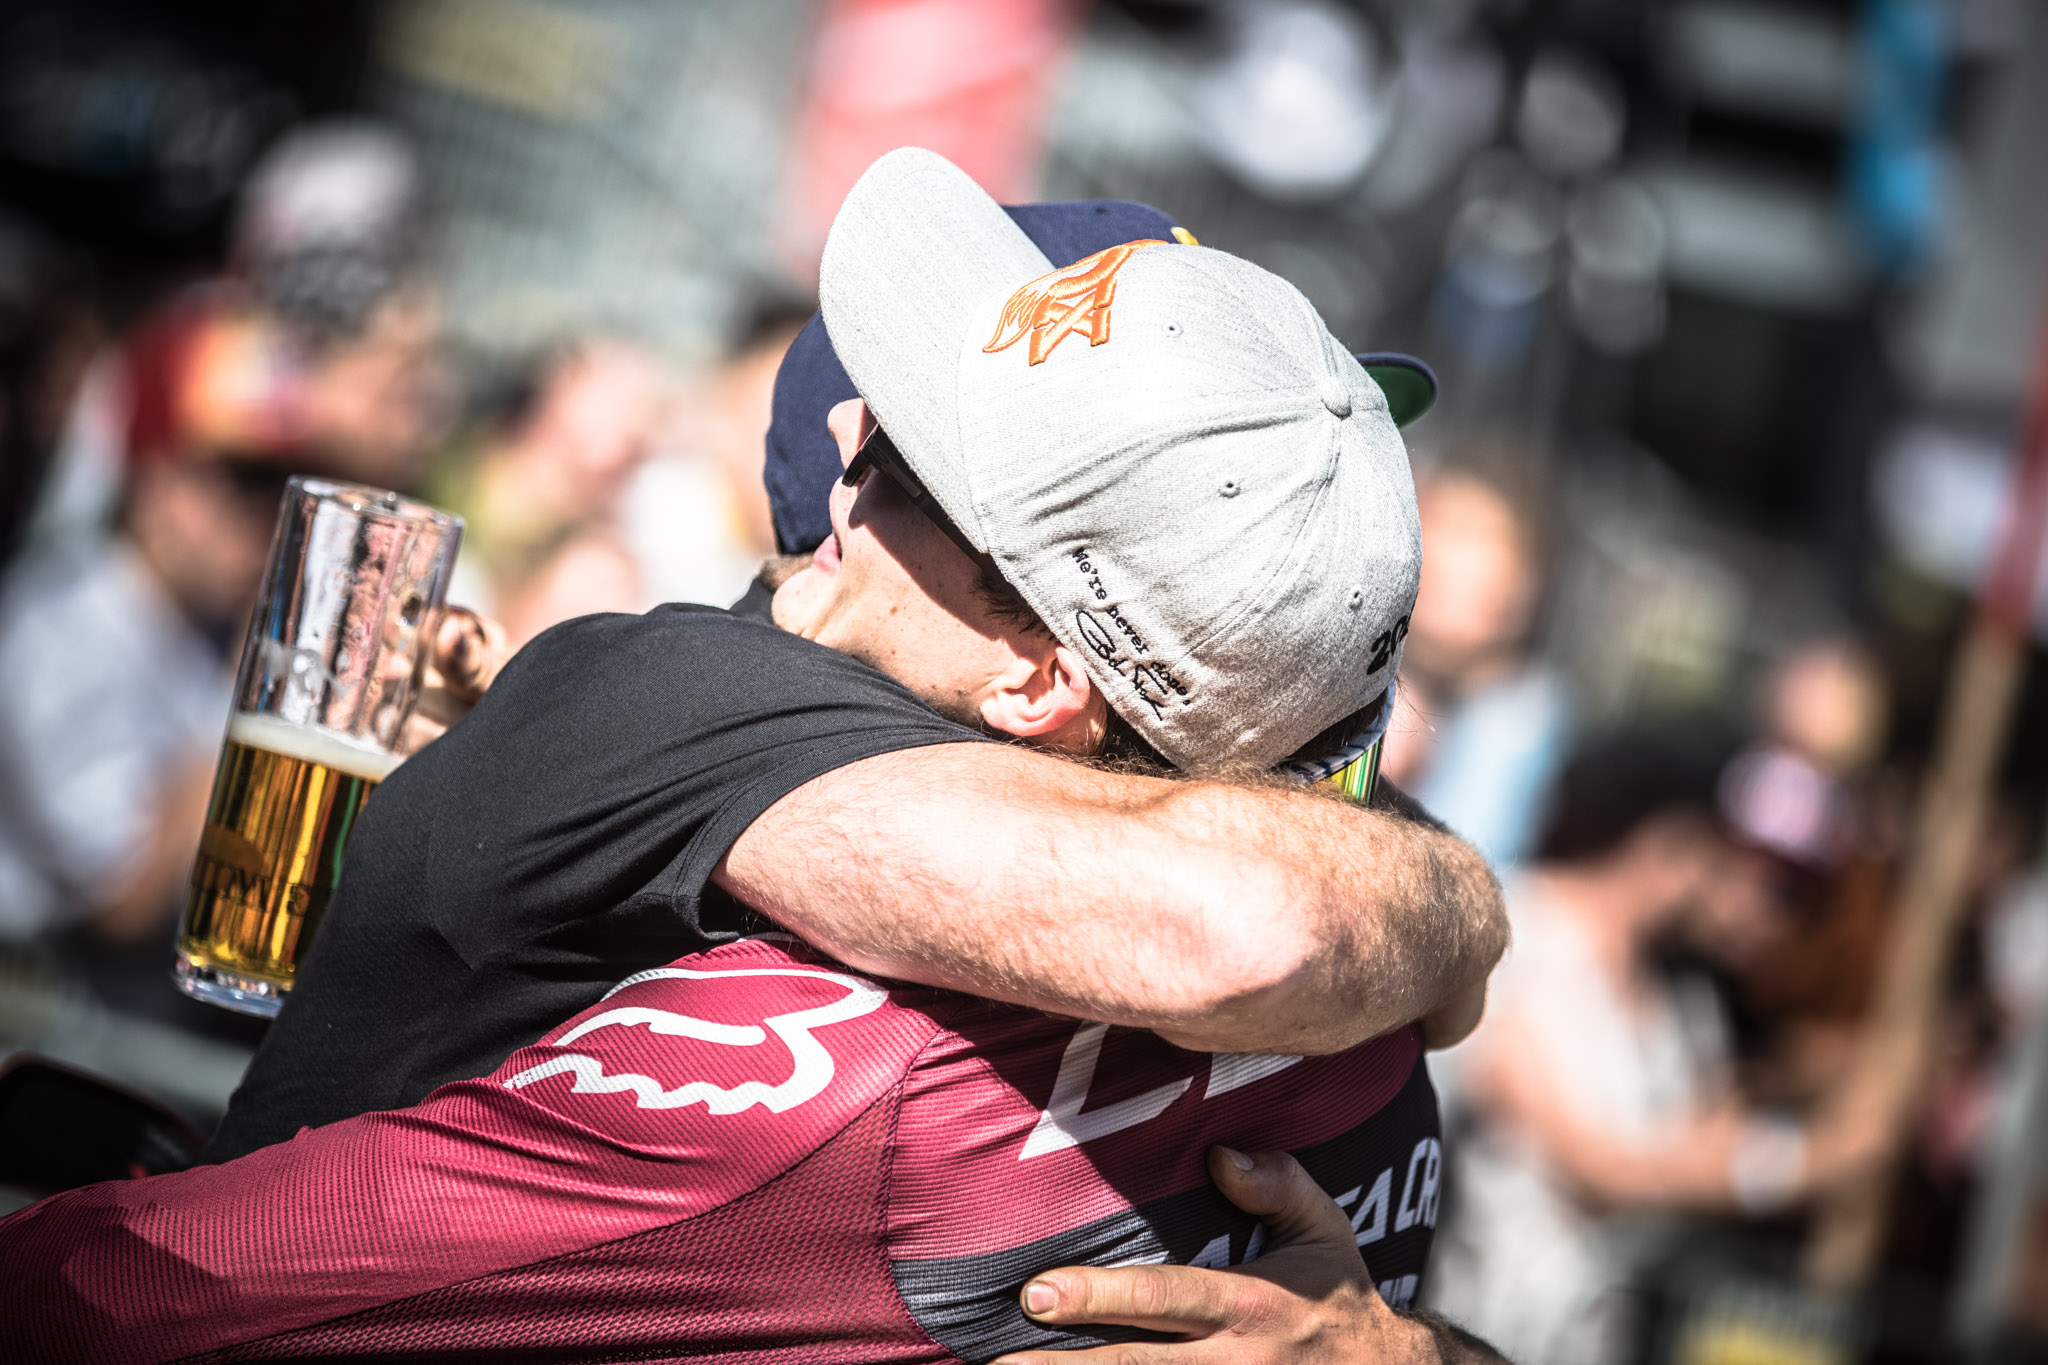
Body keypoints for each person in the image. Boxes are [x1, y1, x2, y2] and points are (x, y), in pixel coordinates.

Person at [2, 150, 1507, 1362]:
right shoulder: (1365, 1054)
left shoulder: (713, 748)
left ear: (1043, 674)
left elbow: (1255, 923)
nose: (843, 440)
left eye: (905, 460)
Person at [1423, 735, 1886, 1365]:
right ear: (1674, 839)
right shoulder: (1515, 931)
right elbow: (1595, 1167)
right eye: (1759, 880)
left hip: (1595, 1338)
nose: (1771, 917)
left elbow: (1706, 1147)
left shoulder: (1687, 1003)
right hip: (1470, 1325)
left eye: (1798, 899)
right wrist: (1807, 1163)